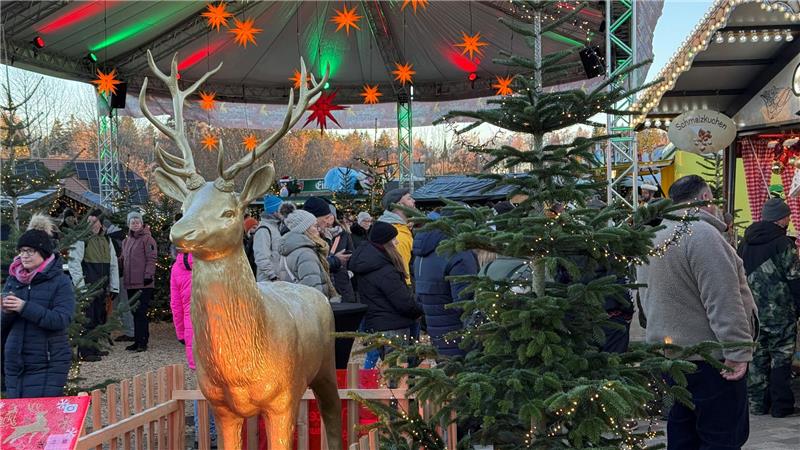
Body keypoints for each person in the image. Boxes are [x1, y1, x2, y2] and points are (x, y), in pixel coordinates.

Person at [636, 175, 758, 449]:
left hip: (671, 358)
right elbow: (723, 300)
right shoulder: (702, 235)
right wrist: (738, 352)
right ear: (705, 198)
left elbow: (643, 298)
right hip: (710, 362)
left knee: (682, 435)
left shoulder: (653, 237)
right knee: (721, 438)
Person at [737, 197, 800, 417]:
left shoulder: (744, 243)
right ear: (782, 219)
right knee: (781, 358)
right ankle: (781, 407)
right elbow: (795, 279)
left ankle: (756, 404)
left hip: (752, 313)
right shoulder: (784, 244)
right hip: (781, 312)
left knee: (757, 357)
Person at [2, 215, 75, 397]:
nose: (24, 256)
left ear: (43, 253)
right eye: (22, 251)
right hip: (15, 362)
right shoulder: (14, 279)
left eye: (30, 251)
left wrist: (24, 307)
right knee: (18, 420)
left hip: (47, 362)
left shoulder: (61, 282)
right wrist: (5, 311)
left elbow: (61, 319)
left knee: (40, 419)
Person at [413, 212, 479, 357]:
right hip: (461, 334)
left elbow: (419, 297)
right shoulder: (458, 254)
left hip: (437, 332)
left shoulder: (421, 256)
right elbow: (464, 302)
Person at [350, 222, 421, 358]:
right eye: (394, 239)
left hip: (379, 324)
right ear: (386, 243)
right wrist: (419, 309)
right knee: (397, 373)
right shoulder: (384, 270)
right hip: (394, 326)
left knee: (389, 370)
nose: (397, 243)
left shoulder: (369, 263)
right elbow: (402, 301)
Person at [169, 250, 218, 444]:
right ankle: (220, 431)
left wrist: (181, 333)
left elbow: (176, 304)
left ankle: (203, 434)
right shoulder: (211, 262)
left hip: (193, 330)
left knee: (202, 384)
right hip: (215, 327)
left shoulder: (177, 267)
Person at [68, 209, 119, 361]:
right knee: (87, 319)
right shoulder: (82, 238)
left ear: (101, 222)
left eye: (94, 221)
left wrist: (114, 286)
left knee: (98, 318)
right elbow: (74, 263)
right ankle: (85, 351)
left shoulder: (106, 239)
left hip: (102, 286)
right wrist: (81, 287)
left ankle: (94, 348)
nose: (92, 224)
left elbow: (113, 264)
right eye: (89, 221)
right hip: (88, 286)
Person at [279, 209, 339, 300]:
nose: (318, 230)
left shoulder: (292, 248)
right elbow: (314, 293)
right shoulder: (305, 254)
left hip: (296, 305)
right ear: (305, 229)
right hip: (311, 309)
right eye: (315, 226)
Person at [120, 210, 157, 352]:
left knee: (141, 312)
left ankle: (143, 341)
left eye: (137, 222)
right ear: (128, 224)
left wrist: (148, 275)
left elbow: (151, 258)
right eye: (132, 222)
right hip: (130, 283)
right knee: (134, 312)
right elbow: (123, 259)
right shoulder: (126, 241)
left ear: (141, 224)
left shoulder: (148, 239)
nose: (135, 224)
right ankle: (137, 339)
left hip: (143, 282)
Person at [104, 219, 134, 342]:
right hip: (123, 274)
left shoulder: (111, 239)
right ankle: (128, 330)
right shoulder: (121, 236)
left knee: (122, 304)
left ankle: (130, 331)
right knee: (120, 304)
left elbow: (113, 260)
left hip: (120, 275)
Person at [378, 189, 415, 284]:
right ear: (398, 205)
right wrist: (407, 289)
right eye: (409, 199)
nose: (414, 201)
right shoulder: (395, 233)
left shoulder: (402, 228)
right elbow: (401, 269)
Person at [253, 195, 284, 282]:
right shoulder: (263, 230)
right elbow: (261, 257)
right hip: (269, 281)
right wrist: (273, 276)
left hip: (276, 280)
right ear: (274, 211)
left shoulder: (275, 227)